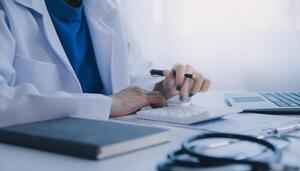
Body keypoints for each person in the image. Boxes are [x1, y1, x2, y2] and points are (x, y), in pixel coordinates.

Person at [0, 0, 211, 127]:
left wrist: (163, 88)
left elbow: (133, 75)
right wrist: (107, 104)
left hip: (107, 144)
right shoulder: (8, 8)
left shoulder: (105, 8)